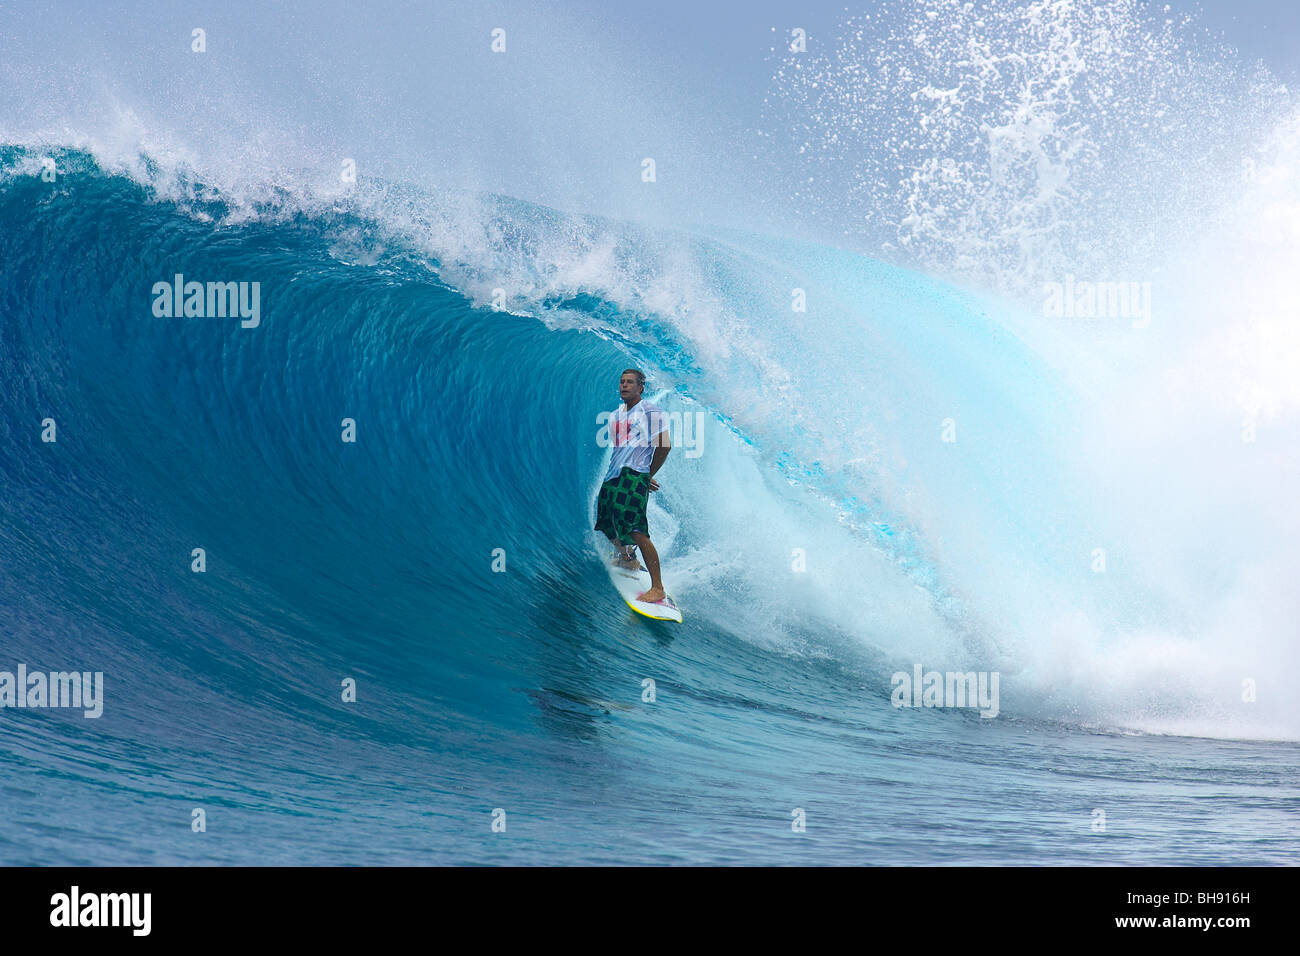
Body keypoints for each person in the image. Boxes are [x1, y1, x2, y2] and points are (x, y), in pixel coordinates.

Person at [594, 368, 672, 603]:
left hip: (635, 475)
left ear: (641, 387)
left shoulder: (650, 411)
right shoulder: (615, 415)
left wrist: (647, 474)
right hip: (613, 475)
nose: (624, 386)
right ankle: (628, 560)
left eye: (630, 382)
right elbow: (620, 448)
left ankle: (657, 587)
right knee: (606, 522)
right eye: (621, 382)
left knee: (636, 530)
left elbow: (664, 445)